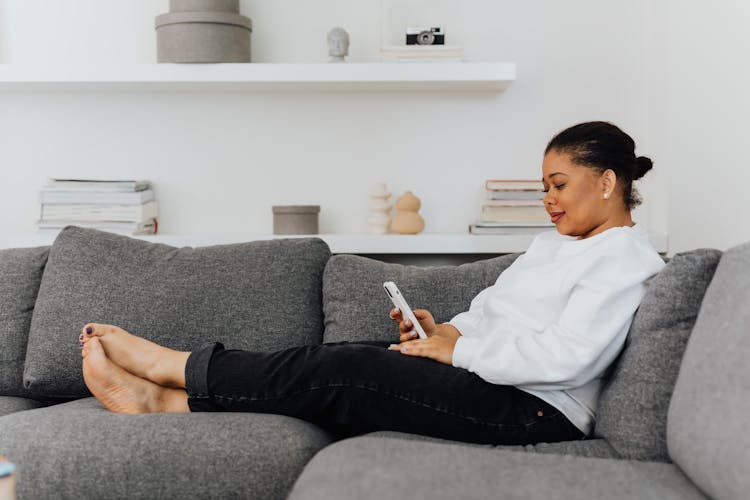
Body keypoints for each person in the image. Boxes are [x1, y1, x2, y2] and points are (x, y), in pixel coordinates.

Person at [79, 121, 665, 445]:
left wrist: (458, 350)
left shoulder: (626, 262)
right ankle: (162, 402)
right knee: (343, 358)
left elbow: (567, 358)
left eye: (558, 185)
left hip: (537, 409)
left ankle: (170, 367)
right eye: (545, 187)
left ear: (608, 181)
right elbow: (495, 310)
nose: (548, 200)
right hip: (493, 381)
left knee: (352, 372)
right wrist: (445, 332)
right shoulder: (555, 246)